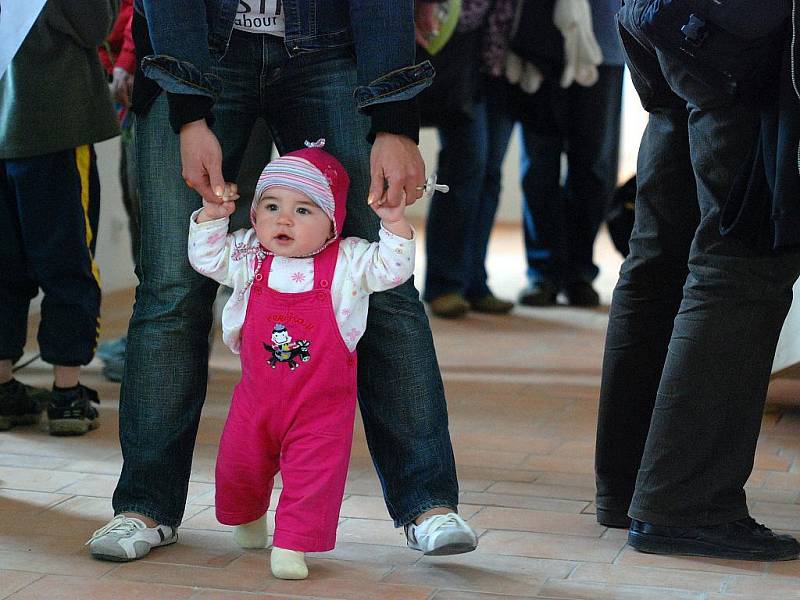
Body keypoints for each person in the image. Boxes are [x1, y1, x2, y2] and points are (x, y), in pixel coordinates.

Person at [87, 0, 477, 562]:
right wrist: (189, 112)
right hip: (199, 55)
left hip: (334, 53)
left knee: (387, 290)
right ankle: (144, 507)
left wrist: (394, 120)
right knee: (171, 290)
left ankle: (428, 505)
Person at [594, 0, 800, 560]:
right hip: (744, 36)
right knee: (742, 265)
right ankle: (684, 503)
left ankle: (633, 485)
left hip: (664, 22)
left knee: (660, 258)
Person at [189, 141, 423, 579]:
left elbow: (393, 269)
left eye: (303, 211)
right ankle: (248, 516)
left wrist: (394, 224)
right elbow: (206, 259)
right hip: (255, 399)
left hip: (321, 409)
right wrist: (211, 217)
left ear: (333, 222)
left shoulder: (350, 261)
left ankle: (292, 545)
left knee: (313, 480)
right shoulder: (248, 256)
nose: (282, 219)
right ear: (254, 215)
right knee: (238, 464)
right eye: (272, 205)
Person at [0, 0, 118, 435]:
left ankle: (4, 389)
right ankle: (67, 394)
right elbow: (94, 25)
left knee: (4, 263)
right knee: (69, 259)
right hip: (51, 123)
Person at [516, 0, 623, 308]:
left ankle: (580, 272)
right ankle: (543, 272)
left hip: (606, 42)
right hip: (539, 37)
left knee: (594, 167)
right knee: (538, 165)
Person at [418, 0, 518, 319]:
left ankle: (475, 281)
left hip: (504, 61)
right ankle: (444, 284)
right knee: (465, 168)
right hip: (460, 54)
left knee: (490, 173)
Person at [96, 0, 137, 382]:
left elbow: (138, 7)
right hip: (126, 86)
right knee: (138, 216)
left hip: (144, 79)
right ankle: (144, 341)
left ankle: (157, 353)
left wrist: (125, 59)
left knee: (156, 229)